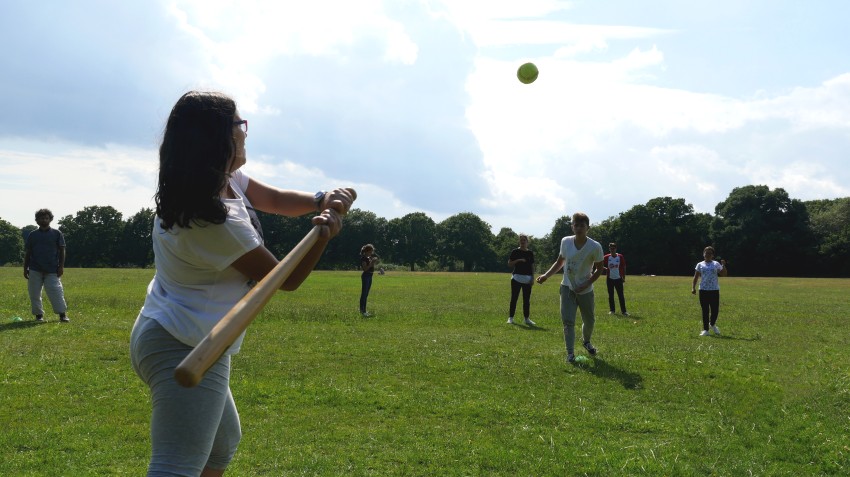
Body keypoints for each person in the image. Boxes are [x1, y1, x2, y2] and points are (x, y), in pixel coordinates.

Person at [129, 91, 356, 476]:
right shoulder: (212, 222)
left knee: (219, 447)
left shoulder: (221, 178)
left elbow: (276, 198)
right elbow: (285, 279)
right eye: (239, 125)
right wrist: (324, 236)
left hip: (183, 333)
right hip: (185, 343)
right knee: (176, 465)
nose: (245, 133)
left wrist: (320, 199)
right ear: (218, 136)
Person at [536, 212, 605, 363]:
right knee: (568, 321)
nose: (579, 228)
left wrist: (587, 283)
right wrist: (546, 276)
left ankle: (586, 341)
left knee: (589, 320)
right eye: (576, 225)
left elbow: (600, 268)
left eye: (582, 225)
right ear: (572, 227)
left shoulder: (595, 246)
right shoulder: (565, 242)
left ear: (588, 228)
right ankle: (570, 354)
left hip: (585, 290)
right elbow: (560, 261)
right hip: (567, 288)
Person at [23, 208, 69, 323]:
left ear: (50, 219)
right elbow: (28, 252)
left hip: (52, 269)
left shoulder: (57, 233)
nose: (44, 220)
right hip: (34, 269)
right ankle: (39, 315)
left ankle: (62, 315)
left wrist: (61, 266)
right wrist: (25, 268)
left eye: (46, 218)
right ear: (37, 220)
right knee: (34, 293)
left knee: (56, 292)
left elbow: (62, 250)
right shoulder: (33, 235)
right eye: (41, 218)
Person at [691, 246, 728, 336]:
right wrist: (693, 287)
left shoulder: (716, 264)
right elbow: (696, 276)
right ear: (703, 254)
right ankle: (705, 330)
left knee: (715, 310)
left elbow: (724, 274)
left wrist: (723, 265)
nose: (707, 254)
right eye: (706, 253)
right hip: (703, 290)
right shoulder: (700, 264)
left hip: (714, 290)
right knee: (705, 310)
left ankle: (712, 324)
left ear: (712, 255)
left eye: (710, 253)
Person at [507, 234, 535, 325]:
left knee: (526, 300)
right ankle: (510, 318)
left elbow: (532, 266)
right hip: (516, 278)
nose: (522, 242)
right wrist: (518, 260)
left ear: (527, 242)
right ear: (519, 242)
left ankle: (526, 319)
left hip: (527, 279)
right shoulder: (515, 251)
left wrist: (532, 278)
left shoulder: (530, 253)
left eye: (524, 240)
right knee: (514, 298)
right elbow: (510, 264)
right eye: (521, 240)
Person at [603, 242, 629, 316]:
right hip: (609, 279)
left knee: (621, 295)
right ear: (609, 249)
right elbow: (599, 264)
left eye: (613, 249)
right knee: (611, 295)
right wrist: (606, 269)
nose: (612, 250)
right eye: (610, 249)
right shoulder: (606, 257)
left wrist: (624, 277)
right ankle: (612, 311)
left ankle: (624, 311)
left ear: (616, 249)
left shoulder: (620, 256)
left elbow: (624, 267)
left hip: (618, 278)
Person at [359, 244, 379, 317]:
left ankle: (364, 310)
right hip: (366, 276)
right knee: (364, 294)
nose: (372, 253)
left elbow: (371, 267)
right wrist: (371, 263)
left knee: (366, 294)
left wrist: (373, 262)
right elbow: (365, 269)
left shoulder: (368, 257)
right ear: (367, 251)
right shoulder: (364, 258)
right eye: (371, 251)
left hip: (370, 276)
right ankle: (362, 311)